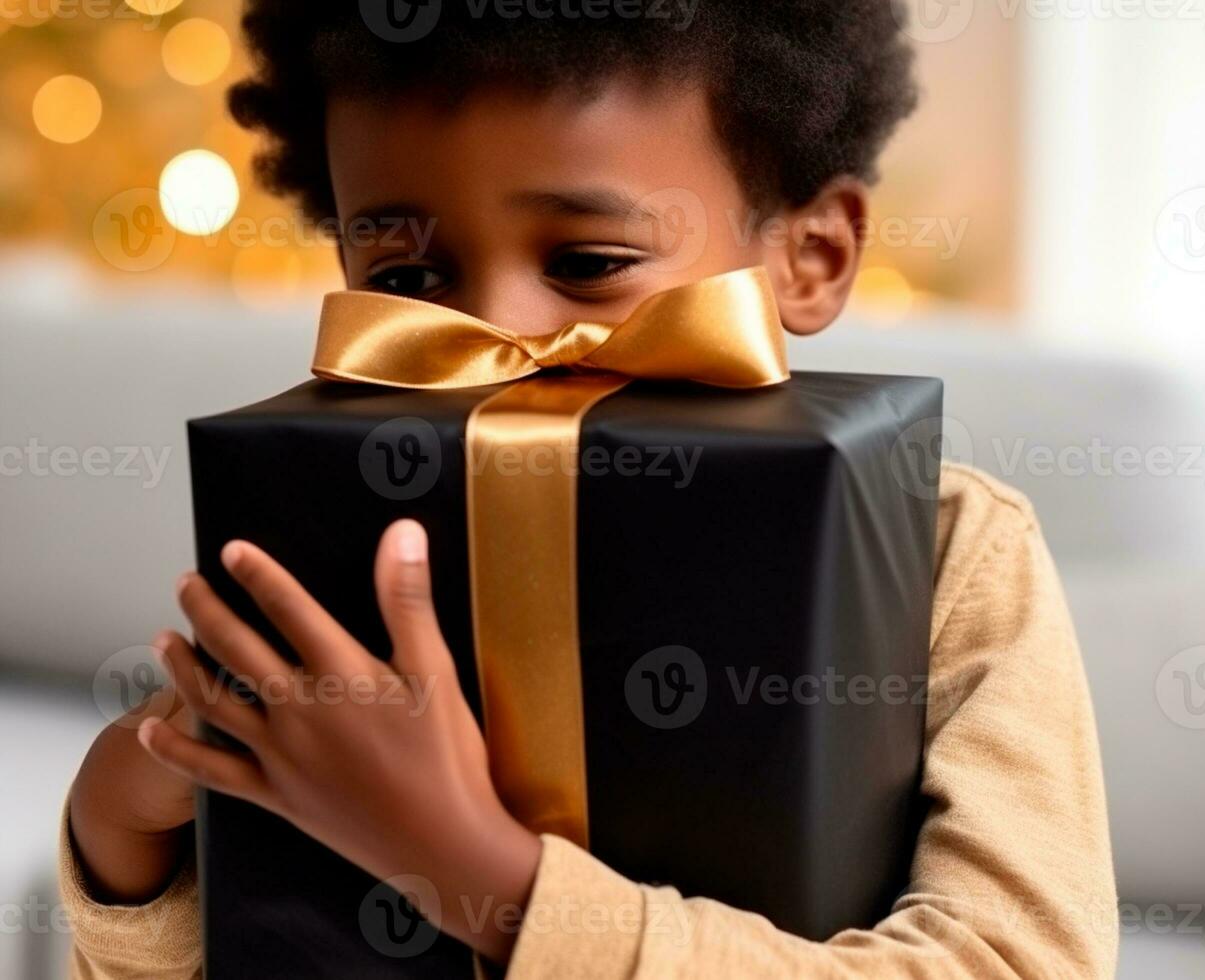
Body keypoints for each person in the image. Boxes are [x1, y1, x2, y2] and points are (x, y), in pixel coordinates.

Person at [61, 3, 1118, 976]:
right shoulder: (335, 524)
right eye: (409, 280)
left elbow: (1014, 960)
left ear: (811, 254)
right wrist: (129, 850)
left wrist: (488, 879)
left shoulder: (950, 552)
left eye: (590, 258)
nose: (500, 335)